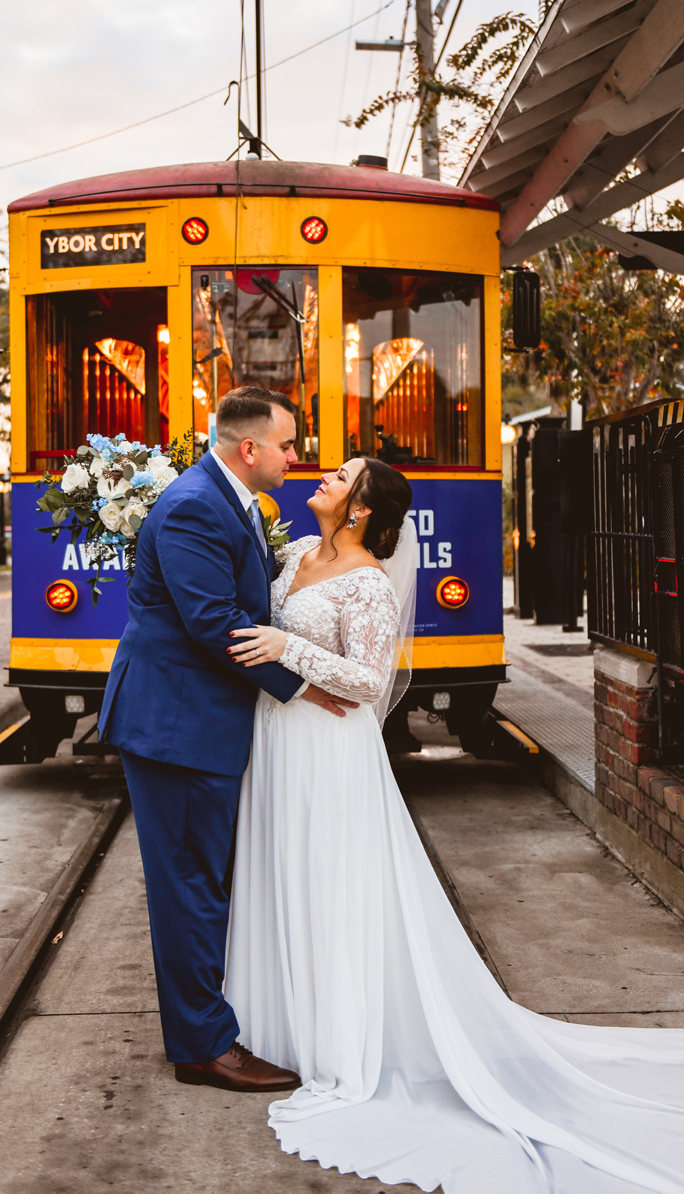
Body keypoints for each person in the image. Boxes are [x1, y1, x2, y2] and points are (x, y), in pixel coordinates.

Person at [225, 455, 684, 1192]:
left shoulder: (369, 582)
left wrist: (288, 647)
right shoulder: (292, 554)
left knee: (330, 879)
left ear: (362, 510)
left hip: (328, 752)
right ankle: (277, 1024)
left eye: (340, 479)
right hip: (278, 739)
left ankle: (337, 1035)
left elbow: (370, 682)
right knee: (283, 871)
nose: (323, 479)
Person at [97, 386, 356, 1092]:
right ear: (251, 450)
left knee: (203, 882)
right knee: (189, 889)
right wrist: (305, 686)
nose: (298, 458)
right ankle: (203, 1048)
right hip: (177, 727)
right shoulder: (191, 509)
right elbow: (218, 624)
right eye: (289, 445)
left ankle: (209, 1028)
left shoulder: (228, 501)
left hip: (196, 723)